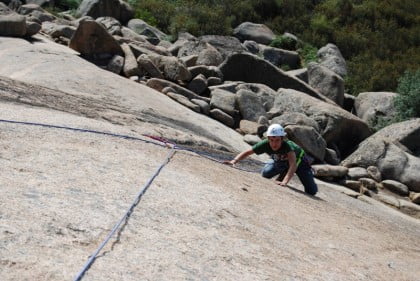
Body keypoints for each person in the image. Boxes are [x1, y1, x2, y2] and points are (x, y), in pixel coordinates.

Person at [225, 124, 318, 195]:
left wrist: (285, 182)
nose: (274, 144)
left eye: (277, 140)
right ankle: (278, 165)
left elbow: (293, 165)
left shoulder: (288, 147)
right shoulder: (265, 144)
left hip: (300, 162)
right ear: (268, 138)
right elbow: (248, 152)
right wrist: (234, 161)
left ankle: (286, 172)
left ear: (282, 139)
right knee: (266, 173)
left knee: (311, 191)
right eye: (272, 140)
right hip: (281, 160)